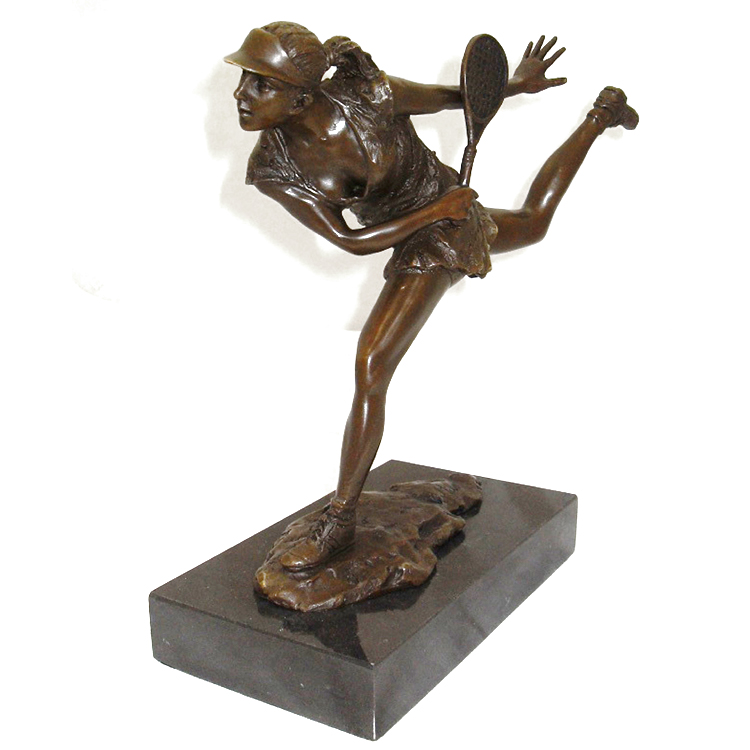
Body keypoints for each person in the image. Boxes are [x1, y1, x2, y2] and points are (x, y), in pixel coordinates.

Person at [224, 22, 638, 571]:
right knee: (526, 228)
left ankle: (340, 520)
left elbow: (449, 98)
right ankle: (603, 113)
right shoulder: (274, 167)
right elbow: (349, 240)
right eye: (245, 79)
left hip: (445, 217)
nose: (241, 94)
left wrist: (514, 85)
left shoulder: (368, 93)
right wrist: (434, 213)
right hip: (424, 222)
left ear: (301, 96)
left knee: (373, 361)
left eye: (260, 83)